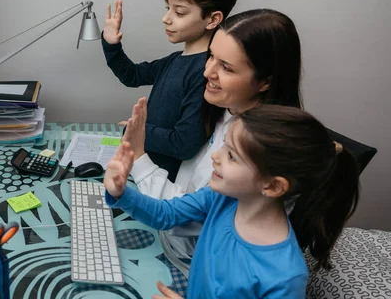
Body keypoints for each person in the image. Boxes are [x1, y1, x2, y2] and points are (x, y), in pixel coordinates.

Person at [104, 105, 360, 298]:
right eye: (223, 145)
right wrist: (120, 192)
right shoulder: (222, 198)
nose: (215, 156)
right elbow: (166, 214)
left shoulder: (285, 277)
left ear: (272, 186)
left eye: (232, 156)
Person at [122, 9, 303, 276]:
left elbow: (183, 216)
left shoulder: (258, 152)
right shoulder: (223, 110)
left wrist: (138, 155)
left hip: (191, 264)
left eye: (226, 67)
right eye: (210, 57)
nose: (207, 72)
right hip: (171, 236)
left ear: (265, 82)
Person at [102, 0, 242, 180]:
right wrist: (111, 43)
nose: (166, 18)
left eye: (179, 12)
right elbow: (132, 76)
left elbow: (184, 143)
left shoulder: (206, 74)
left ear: (212, 19)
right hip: (144, 169)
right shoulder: (176, 60)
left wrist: (139, 133)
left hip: (164, 183)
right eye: (168, 9)